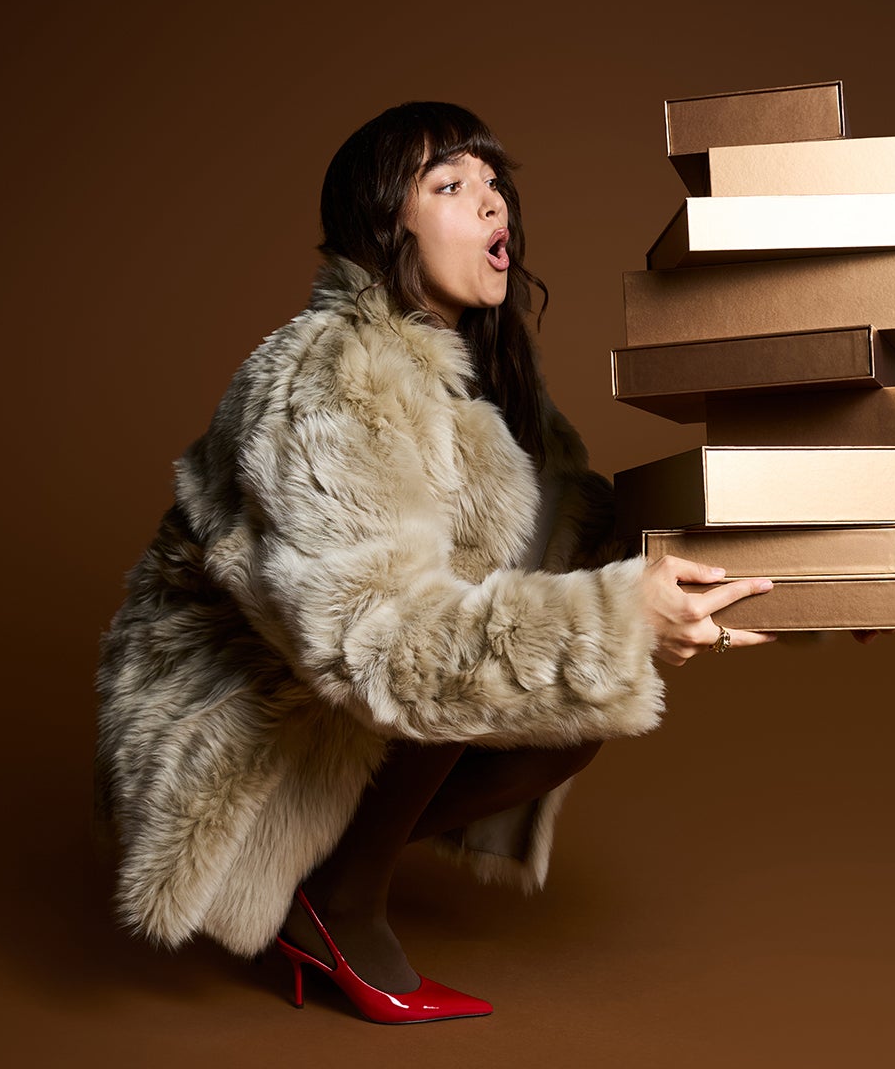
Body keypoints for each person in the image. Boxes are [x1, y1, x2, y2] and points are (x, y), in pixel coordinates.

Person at [93, 101, 781, 1025]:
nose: (493, 202)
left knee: (567, 712)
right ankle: (337, 902)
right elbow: (378, 646)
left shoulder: (482, 380)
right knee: (494, 645)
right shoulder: (337, 374)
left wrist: (799, 569)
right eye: (451, 185)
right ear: (387, 227)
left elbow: (575, 542)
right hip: (234, 713)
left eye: (495, 182)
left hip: (342, 671)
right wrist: (620, 616)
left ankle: (323, 874)